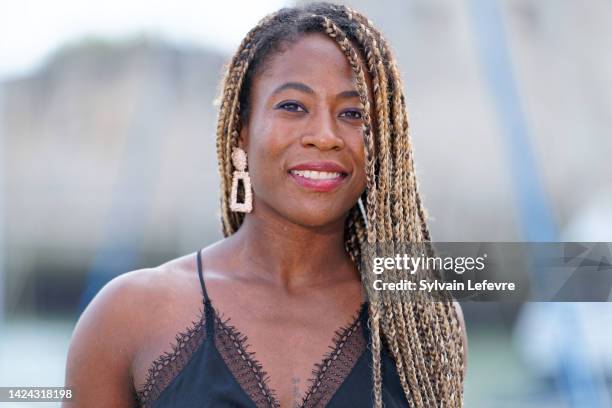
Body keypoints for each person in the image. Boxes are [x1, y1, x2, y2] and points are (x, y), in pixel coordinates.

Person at [63, 3, 466, 407]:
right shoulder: (127, 316)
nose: (325, 136)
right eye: (293, 106)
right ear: (241, 132)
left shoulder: (422, 320)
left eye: (353, 112)